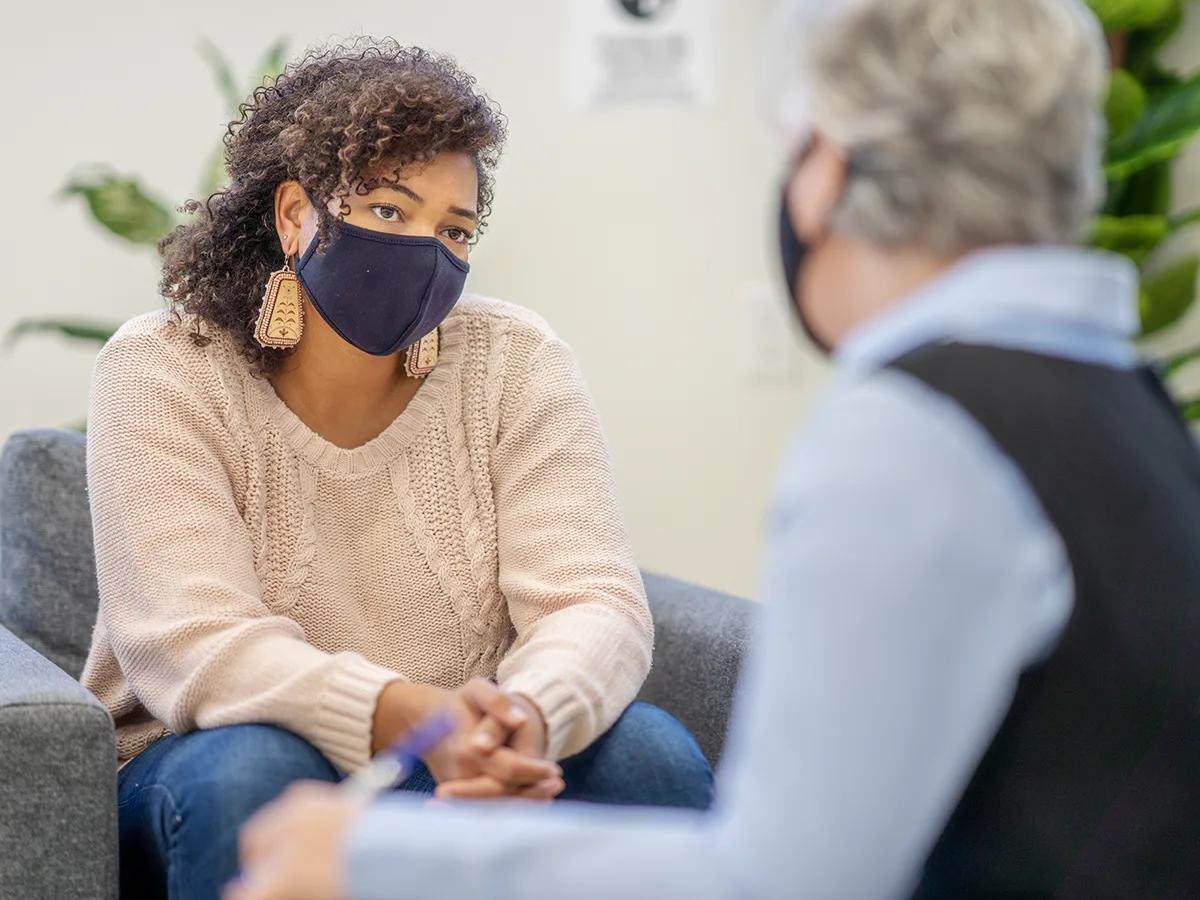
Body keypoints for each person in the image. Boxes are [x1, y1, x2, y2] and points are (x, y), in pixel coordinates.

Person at [225, 0, 1200, 898]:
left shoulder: (916, 431)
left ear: (831, 168)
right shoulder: (1133, 408)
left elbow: (790, 880)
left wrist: (368, 855)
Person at [80, 39, 714, 900]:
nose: (426, 250)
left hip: (457, 763)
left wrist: (524, 718)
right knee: (258, 768)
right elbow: (193, 638)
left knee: (647, 756)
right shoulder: (164, 366)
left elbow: (589, 598)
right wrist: (402, 714)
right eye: (388, 210)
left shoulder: (516, 361)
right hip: (206, 762)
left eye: (454, 229)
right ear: (296, 215)